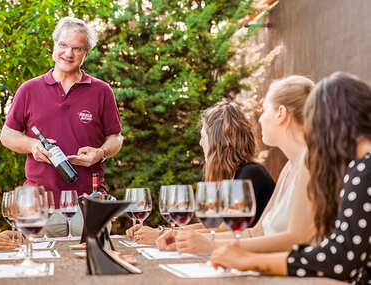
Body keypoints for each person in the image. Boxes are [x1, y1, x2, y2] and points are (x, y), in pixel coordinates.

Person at [210, 72, 371, 284]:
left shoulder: (365, 170)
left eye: (315, 121)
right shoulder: (359, 167)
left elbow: (340, 259)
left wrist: (248, 260)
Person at [157, 75, 316, 255]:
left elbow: (296, 241)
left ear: (281, 113)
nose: (260, 119)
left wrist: (211, 245)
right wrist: (189, 239)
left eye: (264, 110)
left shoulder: (311, 164)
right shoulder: (289, 168)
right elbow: (257, 232)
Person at [0, 17, 123, 237]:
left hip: (89, 201)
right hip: (39, 204)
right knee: (39, 268)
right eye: (63, 45)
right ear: (54, 46)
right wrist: (32, 145)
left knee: (93, 266)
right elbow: (7, 134)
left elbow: (116, 137)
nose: (68, 53)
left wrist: (101, 152)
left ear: (86, 53)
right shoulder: (29, 89)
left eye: (77, 48)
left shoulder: (102, 91)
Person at [127, 101, 275, 244]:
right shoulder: (231, 176)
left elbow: (223, 227)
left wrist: (163, 235)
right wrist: (164, 232)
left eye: (203, 136)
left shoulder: (251, 172)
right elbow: (210, 227)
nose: (200, 143)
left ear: (218, 141)